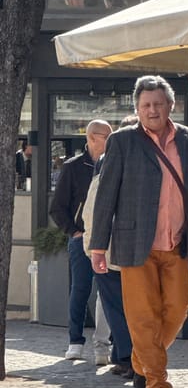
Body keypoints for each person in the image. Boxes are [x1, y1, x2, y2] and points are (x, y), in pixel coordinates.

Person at [89, 75, 188, 388]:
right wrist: (98, 246)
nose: (152, 110)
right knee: (142, 320)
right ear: (137, 109)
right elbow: (106, 195)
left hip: (177, 242)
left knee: (178, 309)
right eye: (145, 105)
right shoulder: (122, 141)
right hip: (134, 242)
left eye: (157, 104)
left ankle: (140, 361)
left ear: (170, 105)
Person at [49, 120, 113, 363]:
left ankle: (106, 343)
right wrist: (74, 232)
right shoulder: (73, 167)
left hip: (108, 239)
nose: (112, 139)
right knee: (80, 289)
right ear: (93, 138)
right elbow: (57, 208)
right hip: (82, 238)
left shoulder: (114, 164)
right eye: (108, 135)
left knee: (109, 292)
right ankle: (75, 341)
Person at [82, 116, 137, 380]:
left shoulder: (107, 163)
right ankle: (125, 357)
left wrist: (94, 247)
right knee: (129, 307)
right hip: (125, 250)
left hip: (112, 250)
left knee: (117, 307)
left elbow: (95, 209)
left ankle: (127, 358)